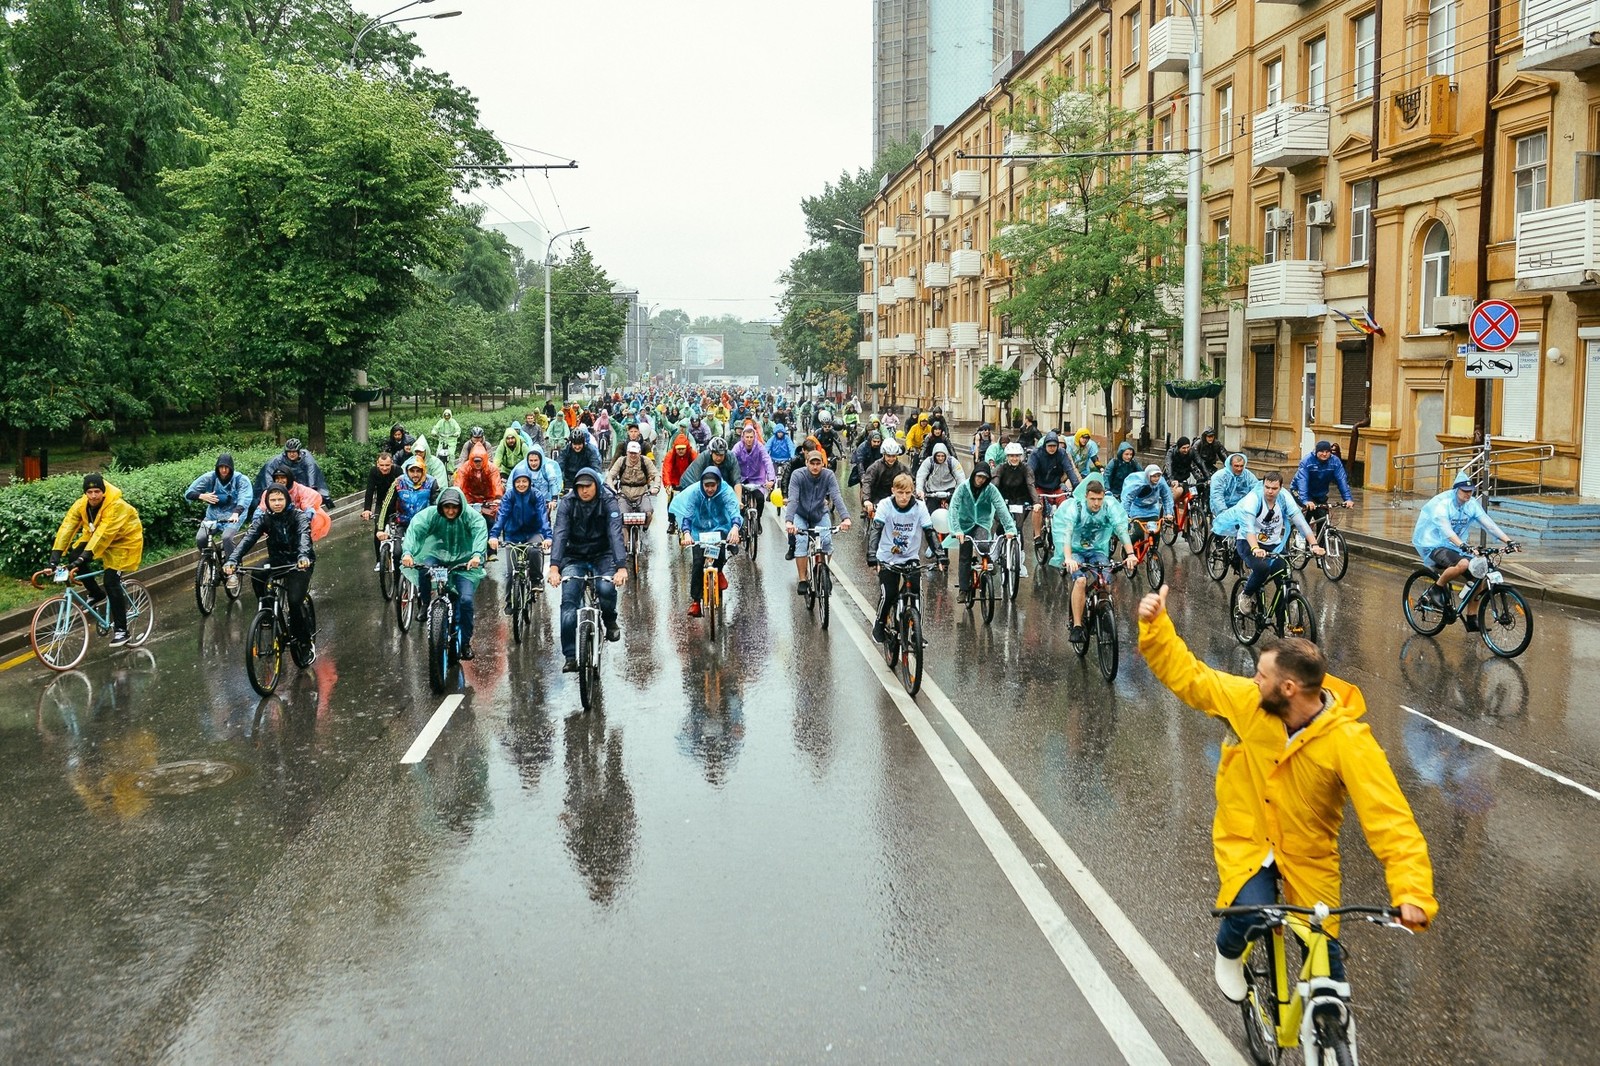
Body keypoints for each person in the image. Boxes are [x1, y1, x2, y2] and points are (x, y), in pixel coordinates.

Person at [1136, 585, 1436, 1001]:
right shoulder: (1250, 702)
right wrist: (1155, 628)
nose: (1254, 680)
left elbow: (1389, 818)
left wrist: (1412, 891)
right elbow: (1191, 678)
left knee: (1327, 975)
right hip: (1249, 840)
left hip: (1308, 859)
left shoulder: (1349, 741)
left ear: (1290, 688)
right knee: (1252, 913)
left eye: (1263, 676)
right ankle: (1228, 952)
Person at [1410, 473, 1517, 630]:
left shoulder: (1471, 504)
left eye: (1470, 490)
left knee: (1481, 573)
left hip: (1455, 545)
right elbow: (1447, 531)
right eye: (1464, 490)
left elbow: (1489, 525)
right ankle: (1436, 589)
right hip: (1433, 543)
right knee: (1463, 564)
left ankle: (1472, 618)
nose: (1468, 493)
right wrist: (1464, 546)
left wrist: (1508, 541)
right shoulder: (1442, 504)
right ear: (1456, 490)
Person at [50, 474, 144, 647]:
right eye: (89, 492)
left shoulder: (116, 506)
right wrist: (54, 558)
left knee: (111, 581)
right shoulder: (81, 505)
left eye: (97, 491)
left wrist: (82, 559)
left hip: (123, 541)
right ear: (85, 493)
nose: (93, 496)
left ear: (104, 491)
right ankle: (95, 593)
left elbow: (104, 534)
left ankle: (122, 631)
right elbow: (67, 527)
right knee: (73, 556)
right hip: (96, 537)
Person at [547, 468, 626, 668]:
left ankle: (609, 620)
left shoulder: (608, 500)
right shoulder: (568, 503)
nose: (584, 491)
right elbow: (560, 533)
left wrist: (621, 566)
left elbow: (615, 533)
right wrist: (554, 567)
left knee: (606, 589)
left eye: (588, 486)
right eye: (580, 486)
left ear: (596, 485)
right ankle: (571, 656)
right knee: (568, 604)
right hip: (573, 556)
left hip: (603, 554)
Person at [225, 483, 315, 658]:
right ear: (267, 502)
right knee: (257, 573)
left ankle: (304, 642)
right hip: (277, 560)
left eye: (280, 499)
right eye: (273, 500)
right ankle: (267, 612)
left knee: (295, 601)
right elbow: (248, 539)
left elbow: (305, 536)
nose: (277, 503)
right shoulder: (264, 519)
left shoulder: (298, 516)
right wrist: (233, 559)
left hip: (299, 562)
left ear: (286, 499)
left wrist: (303, 556)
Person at [1213, 471, 1323, 614]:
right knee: (1262, 568)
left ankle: (1283, 625)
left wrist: (1314, 545)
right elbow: (1248, 528)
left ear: (1281, 487)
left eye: (1274, 488)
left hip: (1274, 545)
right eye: (1267, 487)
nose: (1270, 491)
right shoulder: (1253, 499)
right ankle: (1246, 594)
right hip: (1248, 541)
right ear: (1263, 485)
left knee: (1285, 583)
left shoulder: (1284, 498)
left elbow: (1300, 522)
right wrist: (1255, 548)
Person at [402, 486, 488, 661]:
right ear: (440, 506)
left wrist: (477, 555)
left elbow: (480, 533)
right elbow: (415, 530)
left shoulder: (471, 517)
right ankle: (426, 604)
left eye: (454, 507)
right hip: (437, 556)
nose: (450, 511)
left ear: (460, 507)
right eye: (446, 507)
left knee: (465, 601)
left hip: (465, 563)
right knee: (425, 568)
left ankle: (465, 643)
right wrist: (408, 553)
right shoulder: (430, 515)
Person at [1050, 474, 1135, 644]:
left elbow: (1121, 529)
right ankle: (1078, 626)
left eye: (1100, 499)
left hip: (1097, 550)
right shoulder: (1076, 508)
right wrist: (1068, 558)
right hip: (1075, 551)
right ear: (1086, 496)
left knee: (1105, 581)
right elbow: (1066, 534)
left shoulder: (1109, 507)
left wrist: (1131, 554)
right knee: (1080, 581)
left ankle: (1104, 613)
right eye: (1093, 499)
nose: (1097, 503)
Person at [868, 472, 940, 642]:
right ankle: (879, 624)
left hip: (910, 556)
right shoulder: (885, 505)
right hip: (887, 557)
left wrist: (941, 554)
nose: (904, 497)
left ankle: (916, 632)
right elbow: (876, 530)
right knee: (890, 592)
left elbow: (930, 531)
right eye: (900, 492)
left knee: (916, 590)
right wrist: (871, 554)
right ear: (893, 491)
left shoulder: (920, 507)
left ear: (913, 492)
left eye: (908, 493)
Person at [670, 467, 742, 618]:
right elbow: (688, 516)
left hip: (720, 527)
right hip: (698, 530)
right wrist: (687, 533)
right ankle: (696, 601)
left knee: (721, 554)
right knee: (697, 563)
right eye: (706, 485)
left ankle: (719, 571)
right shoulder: (695, 493)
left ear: (718, 484)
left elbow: (734, 510)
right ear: (702, 484)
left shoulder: (726, 492)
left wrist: (735, 528)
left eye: (713, 485)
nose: (709, 489)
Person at [944, 461, 1018, 602]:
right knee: (964, 557)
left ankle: (988, 561)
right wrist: (957, 530)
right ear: (973, 475)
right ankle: (964, 590)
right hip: (964, 525)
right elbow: (953, 508)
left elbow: (1001, 508)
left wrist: (1010, 528)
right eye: (979, 476)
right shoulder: (963, 488)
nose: (981, 480)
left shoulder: (990, 490)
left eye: (984, 478)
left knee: (984, 546)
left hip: (981, 524)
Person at [783, 449, 851, 592]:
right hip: (800, 514)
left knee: (826, 541)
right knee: (801, 541)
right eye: (812, 463)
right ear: (806, 463)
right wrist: (789, 521)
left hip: (820, 514)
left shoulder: (829, 475)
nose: (815, 467)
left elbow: (837, 497)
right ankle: (802, 578)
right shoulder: (798, 475)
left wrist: (845, 518)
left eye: (818, 463)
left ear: (823, 464)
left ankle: (821, 570)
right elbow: (793, 500)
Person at [186, 452, 253, 588]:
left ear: (231, 468)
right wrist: (201, 496)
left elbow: (244, 498)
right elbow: (189, 493)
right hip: (213, 515)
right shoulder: (209, 478)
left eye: (226, 467)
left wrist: (236, 513)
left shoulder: (241, 479)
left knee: (227, 537)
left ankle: (231, 570)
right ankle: (210, 564)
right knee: (201, 538)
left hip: (234, 514)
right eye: (221, 467)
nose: (223, 470)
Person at [489, 466, 553, 599]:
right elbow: (502, 516)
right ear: (514, 482)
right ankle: (509, 600)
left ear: (529, 482)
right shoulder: (509, 496)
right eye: (518, 481)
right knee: (511, 571)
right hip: (513, 534)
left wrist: (547, 537)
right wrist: (494, 535)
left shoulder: (536, 495)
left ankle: (536, 581)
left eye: (524, 481)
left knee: (534, 551)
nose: (521, 484)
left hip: (533, 533)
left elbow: (543, 517)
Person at [993, 442, 1036, 576]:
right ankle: (995, 549)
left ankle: (1020, 563)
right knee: (1002, 525)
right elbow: (994, 485)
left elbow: (1030, 484)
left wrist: (1036, 502)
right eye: (1011, 456)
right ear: (1007, 457)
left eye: (1017, 456)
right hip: (1002, 500)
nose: (1014, 458)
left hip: (1021, 500)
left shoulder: (1026, 469)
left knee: (1018, 528)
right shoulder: (1001, 468)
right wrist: (992, 500)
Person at [359, 450, 403, 568]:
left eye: (387, 465)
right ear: (377, 464)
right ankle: (379, 560)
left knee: (400, 529)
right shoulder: (374, 472)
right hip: (381, 503)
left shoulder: (398, 471)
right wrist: (367, 509)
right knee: (378, 528)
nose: (384, 468)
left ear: (392, 464)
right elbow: (370, 490)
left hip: (397, 503)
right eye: (382, 465)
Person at [256, 438, 331, 506]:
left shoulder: (306, 457)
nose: (291, 454)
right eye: (289, 452)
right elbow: (268, 479)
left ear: (299, 452)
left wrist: (312, 491)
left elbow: (312, 473)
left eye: (294, 452)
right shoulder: (275, 462)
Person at [607, 441, 662, 527]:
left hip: (642, 494)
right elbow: (610, 476)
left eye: (635, 453)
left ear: (639, 452)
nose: (633, 455)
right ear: (627, 452)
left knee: (648, 513)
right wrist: (612, 488)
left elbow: (656, 475)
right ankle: (625, 539)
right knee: (621, 517)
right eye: (631, 453)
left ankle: (644, 529)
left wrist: (656, 487)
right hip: (624, 495)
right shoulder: (621, 461)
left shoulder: (645, 461)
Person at [1121, 464, 1175, 550]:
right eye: (1153, 476)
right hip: (1137, 509)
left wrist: (1168, 513)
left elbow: (1167, 496)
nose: (1156, 478)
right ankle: (1127, 549)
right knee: (1138, 532)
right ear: (1148, 476)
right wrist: (1125, 515)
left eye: (1158, 476)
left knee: (1156, 532)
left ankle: (1153, 554)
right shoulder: (1139, 484)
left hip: (1152, 509)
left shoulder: (1161, 482)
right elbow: (1128, 498)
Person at [1291, 440, 1356, 510]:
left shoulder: (1335, 462)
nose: (1324, 454)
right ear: (1316, 452)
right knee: (1307, 511)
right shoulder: (1307, 461)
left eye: (1327, 452)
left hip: (1319, 494)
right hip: (1299, 490)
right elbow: (1302, 481)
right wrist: (1305, 500)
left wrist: (1348, 499)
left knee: (1322, 516)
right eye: (1321, 451)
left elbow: (1342, 480)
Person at [732, 423, 776, 525]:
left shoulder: (760, 447)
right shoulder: (738, 447)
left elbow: (767, 461)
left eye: (751, 437)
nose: (749, 439)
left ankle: (758, 520)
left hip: (757, 479)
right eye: (747, 437)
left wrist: (771, 480)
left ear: (754, 437)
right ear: (743, 437)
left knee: (760, 499)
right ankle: (740, 522)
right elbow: (731, 459)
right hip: (741, 478)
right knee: (738, 502)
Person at [861, 438, 912, 523]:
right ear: (883, 454)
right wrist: (866, 500)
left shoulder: (902, 468)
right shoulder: (875, 467)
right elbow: (867, 483)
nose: (891, 459)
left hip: (895, 497)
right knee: (877, 525)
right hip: (877, 497)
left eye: (893, 456)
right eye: (888, 456)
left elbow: (911, 483)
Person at [453, 440, 504, 524]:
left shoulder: (492, 468)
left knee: (493, 518)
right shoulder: (464, 468)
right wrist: (455, 496)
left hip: (488, 498)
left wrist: (498, 498)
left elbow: (496, 485)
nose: (477, 463)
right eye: (475, 461)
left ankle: (492, 535)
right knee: (462, 518)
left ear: (484, 460)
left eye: (479, 461)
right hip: (470, 498)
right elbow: (458, 483)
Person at [660, 431, 698, 533]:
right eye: (678, 449)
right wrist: (667, 485)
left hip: (689, 481)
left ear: (687, 448)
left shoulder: (692, 454)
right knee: (671, 501)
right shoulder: (670, 455)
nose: (680, 451)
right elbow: (666, 470)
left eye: (682, 449)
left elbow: (698, 467)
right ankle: (671, 522)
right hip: (674, 481)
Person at [914, 442, 964, 508]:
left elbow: (960, 476)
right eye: (938, 456)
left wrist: (960, 490)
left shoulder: (952, 462)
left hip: (949, 490)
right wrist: (919, 491)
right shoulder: (928, 462)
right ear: (934, 455)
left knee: (956, 510)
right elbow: (921, 476)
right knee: (929, 512)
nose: (940, 458)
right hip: (933, 491)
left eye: (943, 456)